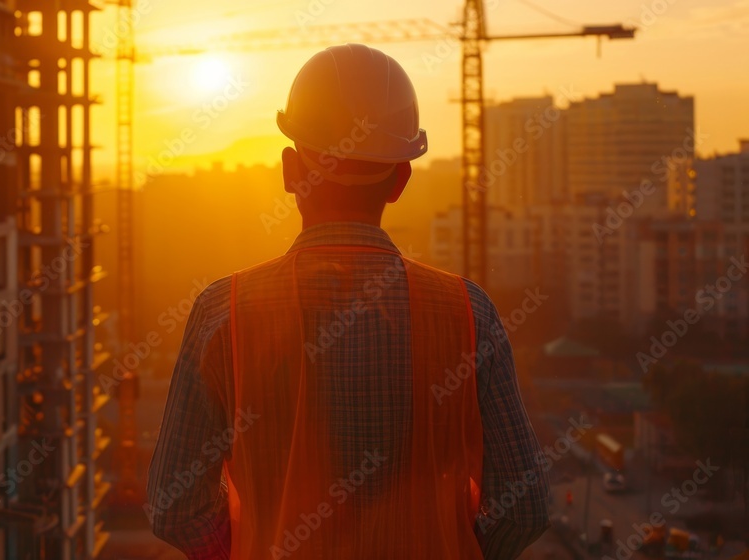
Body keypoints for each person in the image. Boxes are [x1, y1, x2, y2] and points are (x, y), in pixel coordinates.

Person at [147, 43, 550, 559]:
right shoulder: (468, 314)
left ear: (291, 171)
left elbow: (173, 507)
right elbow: (525, 508)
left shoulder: (223, 313)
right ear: (401, 179)